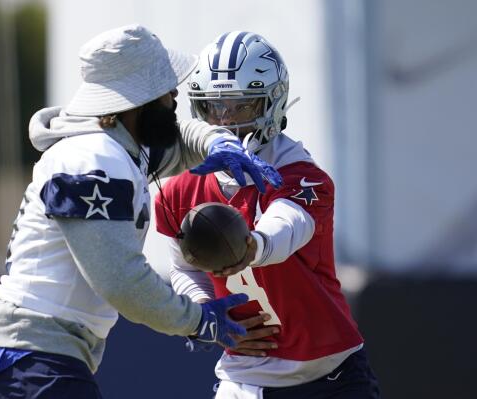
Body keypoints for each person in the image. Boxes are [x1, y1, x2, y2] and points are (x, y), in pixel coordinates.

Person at [0, 25, 283, 398]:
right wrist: (198, 320)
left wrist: (215, 141)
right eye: (165, 89)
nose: (174, 95)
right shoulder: (94, 159)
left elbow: (176, 145)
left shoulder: (114, 151)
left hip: (32, 352)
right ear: (138, 101)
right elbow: (120, 279)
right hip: (28, 352)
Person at [155, 31, 381, 399]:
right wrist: (205, 316)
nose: (225, 120)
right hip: (243, 380)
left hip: (328, 376)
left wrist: (250, 247)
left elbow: (285, 227)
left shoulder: (301, 174)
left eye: (239, 106)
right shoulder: (181, 189)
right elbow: (186, 268)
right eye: (214, 107)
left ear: (270, 104)